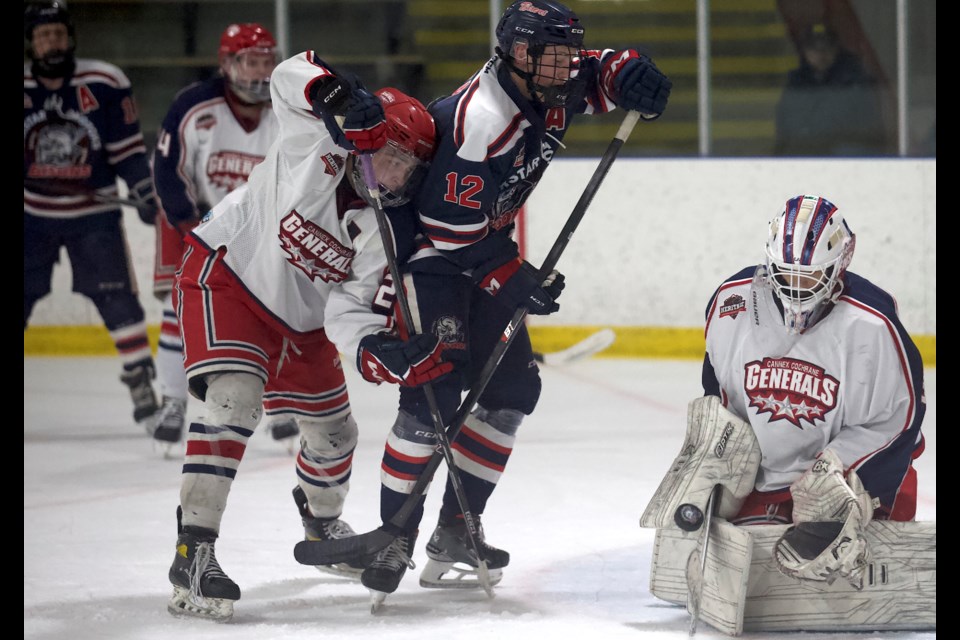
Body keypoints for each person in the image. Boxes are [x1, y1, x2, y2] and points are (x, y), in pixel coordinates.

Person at [358, 0, 672, 603]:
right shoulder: (482, 118)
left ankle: (456, 529)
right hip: (431, 256)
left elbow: (602, 75)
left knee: (510, 394)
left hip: (480, 244)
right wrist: (511, 277)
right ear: (519, 55)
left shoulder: (549, 80)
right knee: (433, 392)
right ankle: (394, 532)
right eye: (553, 55)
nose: (567, 66)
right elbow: (443, 224)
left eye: (568, 54)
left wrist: (628, 70)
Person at [165, 49, 450, 622]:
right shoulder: (312, 145)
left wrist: (371, 343)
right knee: (233, 402)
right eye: (392, 157)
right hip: (229, 277)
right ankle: (193, 552)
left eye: (409, 167)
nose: (396, 177)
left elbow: (347, 302)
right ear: (365, 141)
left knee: (337, 434)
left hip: (301, 321)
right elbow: (288, 74)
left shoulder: (384, 224)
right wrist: (335, 95)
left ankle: (322, 527)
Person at [700, 194, 925, 585]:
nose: (798, 288)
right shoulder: (731, 302)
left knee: (832, 541)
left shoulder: (873, 324)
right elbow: (717, 391)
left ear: (839, 266)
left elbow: (901, 421)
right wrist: (717, 455)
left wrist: (840, 470)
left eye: (811, 276)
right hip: (766, 477)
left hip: (847, 477)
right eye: (787, 274)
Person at [151, 23, 299, 448]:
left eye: (267, 61)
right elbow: (168, 169)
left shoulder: (286, 107)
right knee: (180, 310)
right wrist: (185, 221)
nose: (261, 71)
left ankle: (280, 402)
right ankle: (174, 401)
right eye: (251, 61)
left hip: (262, 228)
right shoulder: (195, 106)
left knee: (274, 313)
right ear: (227, 64)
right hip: (197, 225)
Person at [24, 0, 160, 427]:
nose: (53, 42)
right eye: (44, 36)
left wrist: (144, 192)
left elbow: (128, 151)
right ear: (30, 42)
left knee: (117, 300)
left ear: (72, 38)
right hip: (32, 215)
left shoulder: (104, 81)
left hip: (94, 213)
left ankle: (140, 382)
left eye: (59, 34)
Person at [774, 23, 889, 156]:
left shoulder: (856, 82)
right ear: (805, 51)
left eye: (826, 48)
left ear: (836, 49)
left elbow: (869, 132)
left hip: (845, 159)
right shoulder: (795, 84)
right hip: (804, 158)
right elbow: (785, 127)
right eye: (814, 49)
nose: (821, 54)